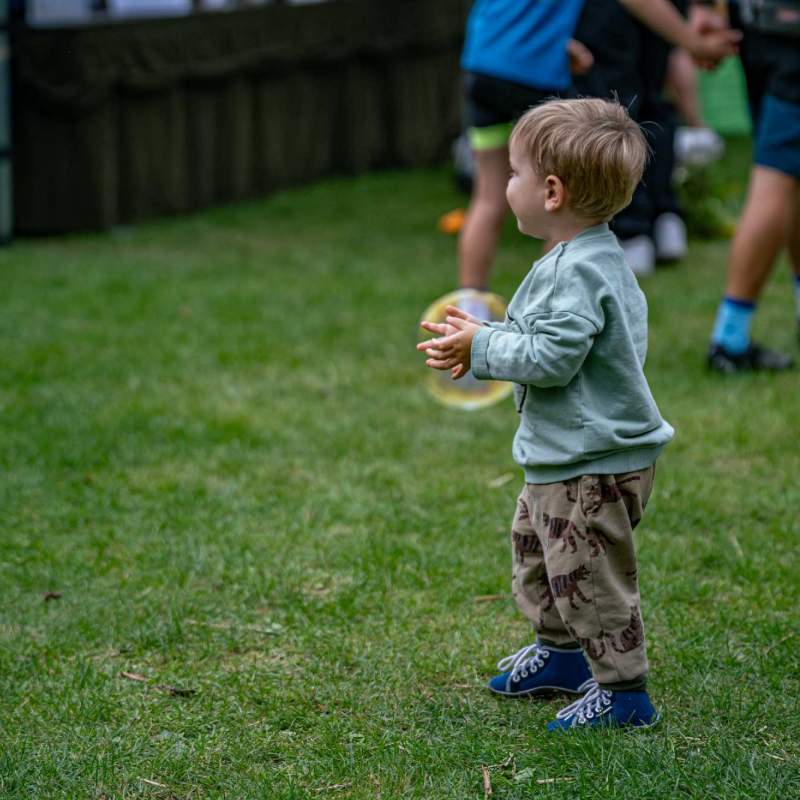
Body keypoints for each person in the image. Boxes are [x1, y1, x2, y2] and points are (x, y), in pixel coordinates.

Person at [417, 98, 675, 730]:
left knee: (588, 576)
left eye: (513, 174)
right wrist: (486, 336)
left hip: (589, 466)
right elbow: (544, 338)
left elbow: (553, 357)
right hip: (561, 457)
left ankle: (622, 693)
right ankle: (562, 656)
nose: (506, 186)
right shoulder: (577, 261)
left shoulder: (579, 271)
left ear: (552, 191)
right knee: (539, 557)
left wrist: (483, 345)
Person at [457, 0, 740, 298]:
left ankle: (467, 306)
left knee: (488, 198)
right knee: (564, 204)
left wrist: (562, 47)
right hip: (539, 76)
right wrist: (691, 42)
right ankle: (547, 305)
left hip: (483, 67)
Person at [693, 0, 800, 372]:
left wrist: (712, 10)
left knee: (790, 176)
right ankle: (729, 341)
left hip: (758, 26)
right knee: (776, 177)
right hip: (787, 35)